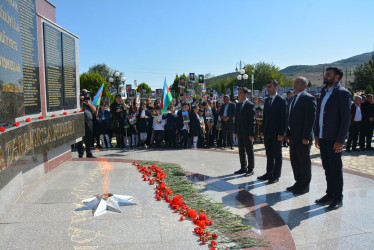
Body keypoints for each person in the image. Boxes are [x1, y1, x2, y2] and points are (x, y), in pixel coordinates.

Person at [314, 67, 351, 210]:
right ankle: (329, 194)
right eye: (325, 74)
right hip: (323, 137)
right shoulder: (324, 92)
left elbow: (346, 119)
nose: (325, 76)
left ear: (337, 77)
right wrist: (317, 135)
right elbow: (319, 116)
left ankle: (338, 198)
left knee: (335, 169)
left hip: (334, 139)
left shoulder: (343, 94)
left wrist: (340, 140)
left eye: (328, 75)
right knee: (327, 168)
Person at [285, 77, 317, 194]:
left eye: (297, 83)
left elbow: (310, 119)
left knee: (304, 162)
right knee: (294, 161)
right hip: (293, 136)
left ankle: (305, 185)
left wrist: (306, 136)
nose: (294, 85)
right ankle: (298, 182)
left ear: (304, 85)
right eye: (294, 83)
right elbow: (289, 118)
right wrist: (287, 133)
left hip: (303, 137)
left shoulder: (309, 99)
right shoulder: (292, 99)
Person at [258, 80, 287, 184]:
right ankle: (268, 173)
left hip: (277, 133)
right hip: (267, 132)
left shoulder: (281, 101)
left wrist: (282, 133)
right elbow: (265, 117)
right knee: (269, 154)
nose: (268, 88)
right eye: (267, 86)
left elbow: (284, 119)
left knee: (277, 155)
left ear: (276, 88)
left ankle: (276, 175)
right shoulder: (267, 100)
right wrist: (262, 130)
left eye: (270, 86)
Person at [234, 87, 256, 176]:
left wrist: (252, 134)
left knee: (249, 151)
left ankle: (250, 169)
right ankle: (243, 167)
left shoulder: (250, 105)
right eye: (238, 93)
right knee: (241, 151)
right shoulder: (238, 105)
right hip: (240, 132)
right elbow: (236, 119)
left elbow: (252, 121)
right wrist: (235, 131)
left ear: (245, 94)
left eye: (240, 93)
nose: (239, 95)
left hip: (247, 133)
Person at [77, 89, 96, 158]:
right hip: (80, 121)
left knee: (89, 137)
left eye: (87, 93)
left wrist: (88, 103)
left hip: (89, 121)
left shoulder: (89, 100)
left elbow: (94, 110)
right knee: (81, 139)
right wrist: (81, 101)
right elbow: (80, 110)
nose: (86, 94)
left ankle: (89, 153)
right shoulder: (78, 101)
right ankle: (80, 154)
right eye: (84, 93)